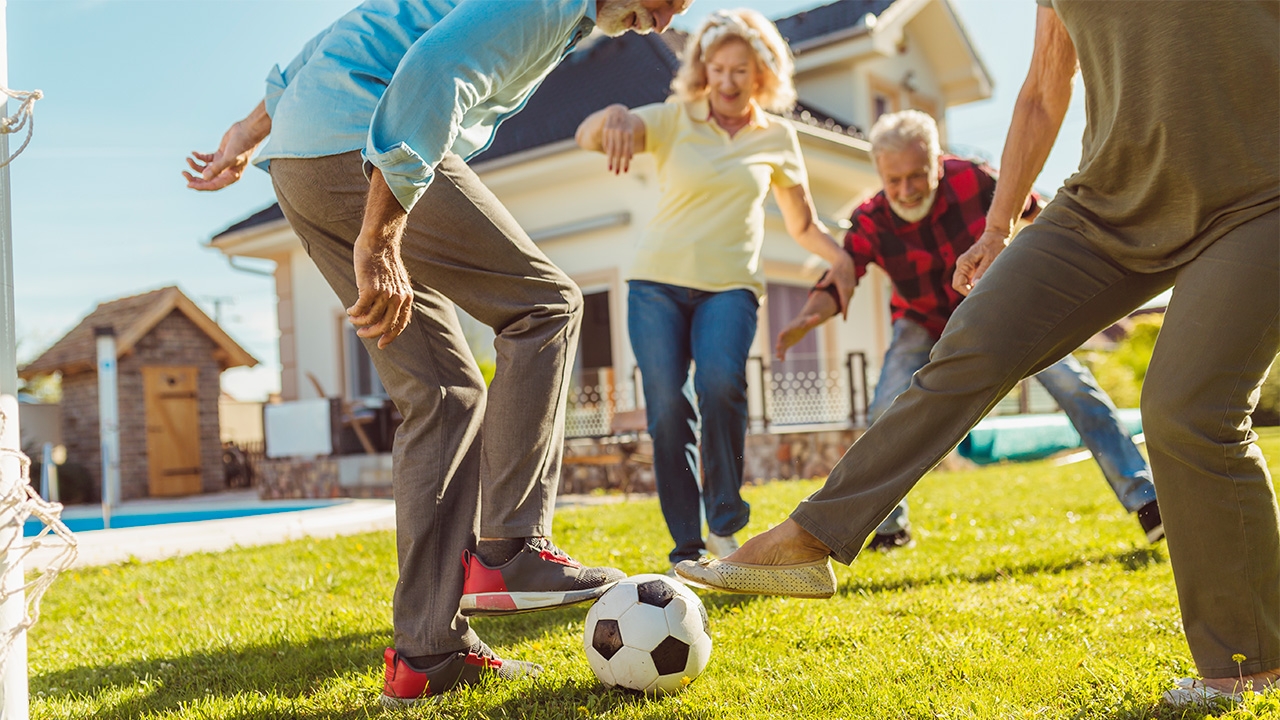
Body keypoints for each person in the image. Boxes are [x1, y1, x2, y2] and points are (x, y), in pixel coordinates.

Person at [678, 0, 1278, 704]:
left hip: (1259, 193)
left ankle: (1246, 658)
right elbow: (1043, 86)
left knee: (1184, 408)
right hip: (1113, 200)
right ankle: (814, 535)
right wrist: (998, 228)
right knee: (974, 342)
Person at [184, 0, 691, 706]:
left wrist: (246, 131)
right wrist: (382, 234)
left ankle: (428, 653)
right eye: (667, 0)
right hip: (356, 143)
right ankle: (512, 549)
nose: (664, 23)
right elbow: (434, 70)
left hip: (301, 161)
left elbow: (321, 48)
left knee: (445, 395)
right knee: (544, 307)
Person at [774, 109, 1162, 552]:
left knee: (1074, 386)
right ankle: (889, 529)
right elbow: (842, 275)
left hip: (1002, 310)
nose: (905, 190)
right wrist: (811, 315)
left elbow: (1041, 215)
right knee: (884, 408)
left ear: (937, 162)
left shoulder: (976, 181)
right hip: (920, 320)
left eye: (917, 176)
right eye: (893, 180)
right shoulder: (872, 218)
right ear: (880, 174)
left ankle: (1145, 500)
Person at [574, 8, 856, 571]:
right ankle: (687, 549)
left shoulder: (778, 137)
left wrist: (842, 259)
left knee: (722, 382)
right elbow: (587, 136)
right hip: (656, 284)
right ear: (705, 71)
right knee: (666, 410)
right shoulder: (677, 118)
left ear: (762, 75)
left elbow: (802, 224)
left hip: (730, 287)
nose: (727, 81)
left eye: (741, 71)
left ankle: (725, 521)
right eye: (718, 69)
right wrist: (612, 116)